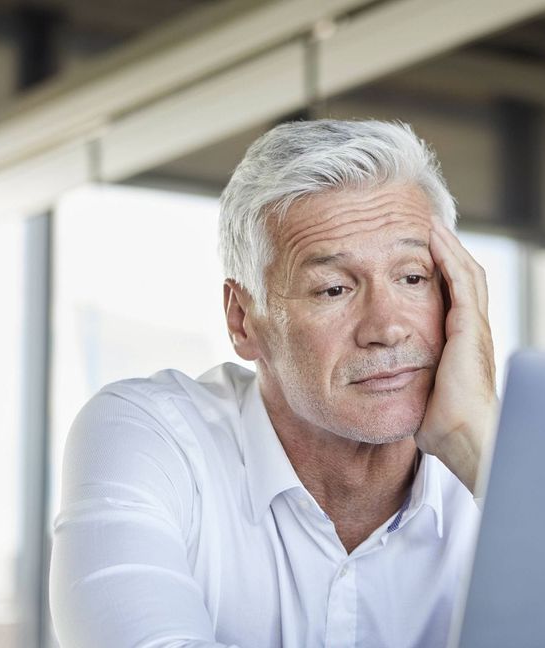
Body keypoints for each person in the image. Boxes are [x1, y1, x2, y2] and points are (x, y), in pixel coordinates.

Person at [50, 120, 499, 648]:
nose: (387, 327)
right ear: (243, 320)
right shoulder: (150, 436)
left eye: (413, 278)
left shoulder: (494, 473)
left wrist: (480, 449)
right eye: (333, 289)